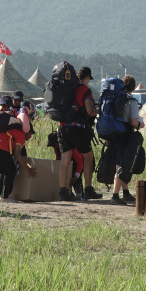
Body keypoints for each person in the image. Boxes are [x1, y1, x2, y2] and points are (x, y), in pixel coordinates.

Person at [0, 96, 37, 202]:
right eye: (31, 134)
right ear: (28, 131)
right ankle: (6, 197)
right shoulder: (21, 134)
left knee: (1, 171)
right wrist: (28, 169)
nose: (30, 137)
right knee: (10, 171)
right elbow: (18, 154)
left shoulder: (9, 127)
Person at [57, 66, 98, 201]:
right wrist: (97, 111)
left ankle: (63, 192)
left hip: (62, 127)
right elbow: (90, 111)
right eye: (88, 79)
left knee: (65, 160)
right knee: (88, 157)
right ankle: (88, 189)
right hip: (77, 128)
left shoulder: (66, 87)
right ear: (86, 78)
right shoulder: (85, 90)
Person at [110, 75, 142, 205]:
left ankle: (125, 192)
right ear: (133, 88)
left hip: (114, 133)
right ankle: (115, 195)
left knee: (120, 161)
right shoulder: (132, 101)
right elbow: (134, 122)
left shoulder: (114, 98)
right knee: (122, 163)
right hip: (126, 133)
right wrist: (141, 125)